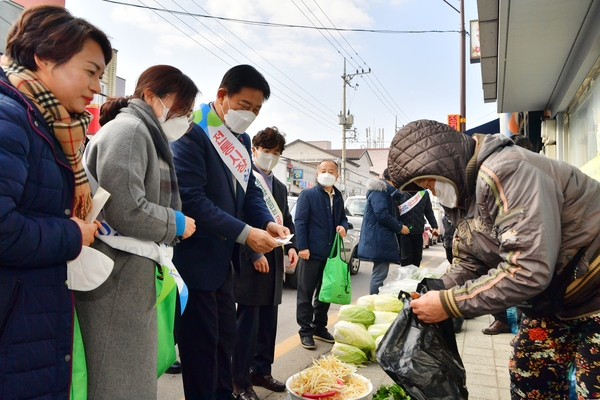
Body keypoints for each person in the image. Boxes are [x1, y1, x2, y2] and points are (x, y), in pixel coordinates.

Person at [388, 119, 600, 399]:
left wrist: (450, 304)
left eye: (427, 181)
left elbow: (527, 269)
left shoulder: (507, 170)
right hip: (554, 300)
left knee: (592, 387)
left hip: (593, 288)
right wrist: (435, 291)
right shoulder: (462, 196)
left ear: (440, 161)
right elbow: (470, 261)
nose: (431, 191)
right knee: (531, 380)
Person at [0, 5, 109, 398]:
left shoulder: (49, 124)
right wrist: (71, 233)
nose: (97, 86)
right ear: (44, 58)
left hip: (30, 322)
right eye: (91, 71)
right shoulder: (9, 119)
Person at [75, 65, 198, 398]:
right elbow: (127, 209)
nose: (184, 119)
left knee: (126, 376)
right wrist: (177, 222)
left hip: (125, 274)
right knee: (118, 380)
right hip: (117, 277)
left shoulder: (141, 132)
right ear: (149, 95)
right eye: (180, 108)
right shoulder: (130, 132)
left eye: (188, 113)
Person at [171, 65, 289, 400]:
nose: (249, 114)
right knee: (201, 353)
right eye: (244, 104)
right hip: (193, 261)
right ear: (222, 95)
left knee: (225, 345)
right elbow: (191, 198)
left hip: (223, 264)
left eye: (256, 109)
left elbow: (250, 190)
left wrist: (266, 222)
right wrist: (245, 233)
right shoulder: (193, 130)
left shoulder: (241, 139)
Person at [233, 127, 299, 399]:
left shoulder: (281, 188)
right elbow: (239, 218)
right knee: (247, 324)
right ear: (254, 150)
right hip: (251, 258)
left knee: (268, 322)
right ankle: (239, 380)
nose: (269, 156)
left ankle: (261, 370)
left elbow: (285, 219)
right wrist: (254, 254)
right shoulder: (246, 180)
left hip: (275, 260)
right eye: (266, 151)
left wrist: (293, 247)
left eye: (275, 153)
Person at [295, 160, 349, 350]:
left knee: (325, 293)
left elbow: (343, 217)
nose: (327, 173)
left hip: (330, 253)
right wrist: (302, 247)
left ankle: (319, 327)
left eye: (331, 171)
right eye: (323, 170)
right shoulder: (308, 195)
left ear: (337, 176)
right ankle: (305, 331)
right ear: (317, 174)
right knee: (306, 293)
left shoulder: (338, 196)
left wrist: (344, 227)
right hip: (310, 252)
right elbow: (300, 221)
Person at [482, 134, 532, 336]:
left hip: (529, 240)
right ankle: (504, 321)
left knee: (526, 280)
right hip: (503, 238)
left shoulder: (537, 174)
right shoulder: (498, 178)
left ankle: (524, 324)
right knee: (495, 274)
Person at [358, 169, 409, 295]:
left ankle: (374, 300)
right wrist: (399, 227)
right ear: (393, 178)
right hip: (379, 239)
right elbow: (381, 214)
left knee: (380, 274)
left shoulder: (387, 193)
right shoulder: (380, 191)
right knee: (379, 275)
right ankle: (373, 301)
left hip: (380, 238)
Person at [395, 188, 439, 267]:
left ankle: (414, 278)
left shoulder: (423, 193)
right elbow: (393, 210)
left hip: (418, 232)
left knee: (417, 259)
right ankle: (406, 279)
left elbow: (428, 211)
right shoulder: (400, 192)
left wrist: (434, 226)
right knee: (406, 260)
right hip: (404, 232)